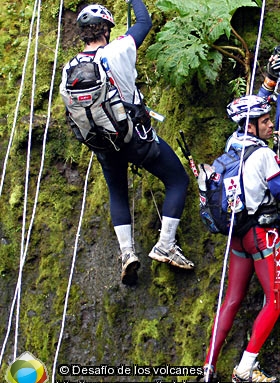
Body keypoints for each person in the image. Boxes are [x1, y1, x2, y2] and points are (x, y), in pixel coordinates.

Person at [60, 2, 194, 286]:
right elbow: (144, 22)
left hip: (102, 143)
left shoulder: (70, 68)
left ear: (83, 33)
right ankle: (166, 244)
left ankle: (127, 253)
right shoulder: (119, 49)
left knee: (117, 191)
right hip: (134, 137)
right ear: (107, 28)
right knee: (177, 180)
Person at [202, 65, 280, 383]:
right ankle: (245, 368)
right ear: (253, 126)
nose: (271, 125)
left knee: (232, 298)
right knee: (274, 300)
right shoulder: (262, 155)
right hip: (262, 236)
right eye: (266, 121)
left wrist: (269, 83)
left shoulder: (234, 142)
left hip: (237, 235)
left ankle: (208, 365)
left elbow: (254, 106)